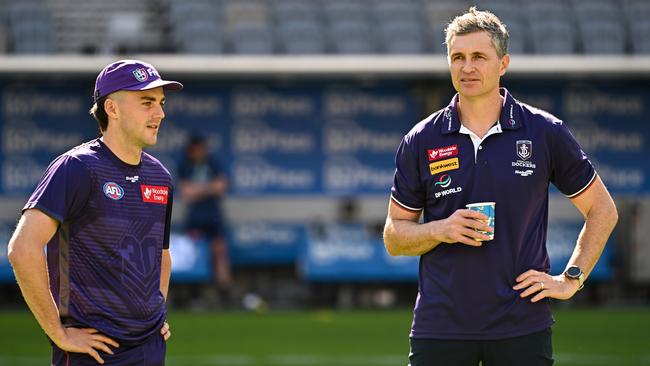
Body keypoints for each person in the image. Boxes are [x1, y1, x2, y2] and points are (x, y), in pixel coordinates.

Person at [383, 8, 618, 366]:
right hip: (440, 326)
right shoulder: (421, 139)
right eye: (457, 57)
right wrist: (442, 229)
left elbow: (602, 210)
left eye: (479, 57)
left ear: (503, 63)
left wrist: (571, 279)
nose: (467, 67)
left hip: (522, 325)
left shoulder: (543, 131)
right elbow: (394, 236)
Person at [7, 59, 182, 365]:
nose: (160, 113)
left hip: (150, 348)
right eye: (146, 102)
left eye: (161, 103)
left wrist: (157, 311)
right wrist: (58, 334)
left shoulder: (160, 177)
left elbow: (161, 256)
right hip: (94, 351)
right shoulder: (77, 167)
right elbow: (22, 249)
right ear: (112, 109)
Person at [177, 135, 232, 296]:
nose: (201, 152)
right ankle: (193, 292)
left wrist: (198, 190)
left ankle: (224, 292)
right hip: (195, 216)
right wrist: (209, 188)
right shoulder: (185, 165)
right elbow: (186, 193)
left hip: (213, 214)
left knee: (219, 251)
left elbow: (222, 186)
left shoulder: (212, 162)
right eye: (197, 149)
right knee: (193, 254)